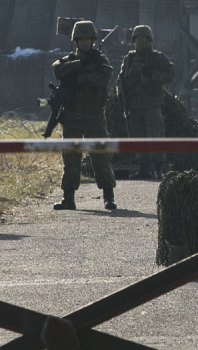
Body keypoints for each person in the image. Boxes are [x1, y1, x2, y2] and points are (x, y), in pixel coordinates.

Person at [50, 20, 117, 211]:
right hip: (71, 116)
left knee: (100, 156)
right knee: (71, 157)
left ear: (93, 40)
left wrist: (80, 77)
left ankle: (108, 197)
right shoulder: (70, 60)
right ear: (76, 41)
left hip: (94, 115)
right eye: (81, 39)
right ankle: (68, 198)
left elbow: (104, 77)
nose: (85, 42)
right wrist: (79, 65)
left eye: (88, 39)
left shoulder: (100, 60)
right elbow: (57, 69)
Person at [117, 24, 175, 179]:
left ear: (149, 40)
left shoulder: (157, 58)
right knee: (138, 136)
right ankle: (144, 168)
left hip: (152, 104)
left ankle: (158, 169)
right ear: (133, 40)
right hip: (134, 105)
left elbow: (170, 74)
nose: (140, 41)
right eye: (137, 38)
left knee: (155, 135)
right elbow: (121, 80)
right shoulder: (129, 59)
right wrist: (122, 97)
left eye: (144, 38)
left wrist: (153, 74)